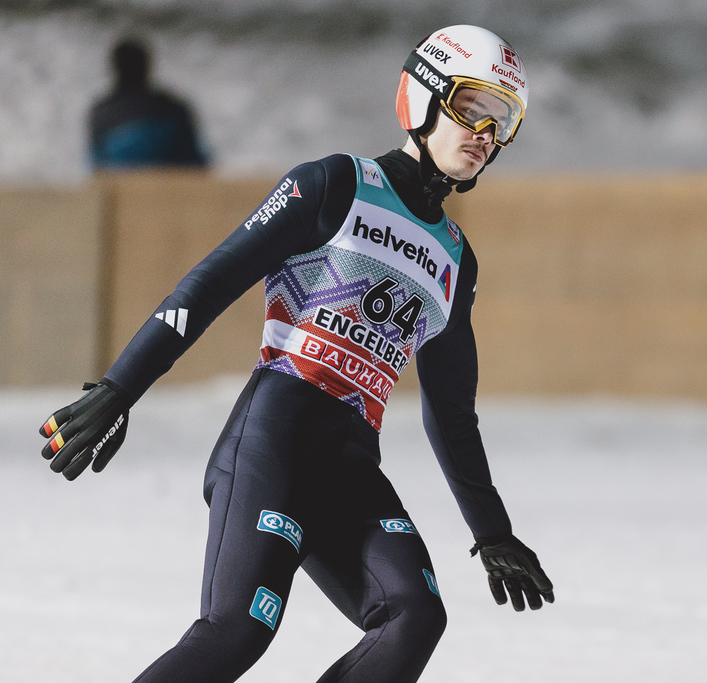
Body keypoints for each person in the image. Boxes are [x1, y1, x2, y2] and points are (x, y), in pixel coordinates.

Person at [40, 24, 553, 683]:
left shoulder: (457, 259)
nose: (484, 133)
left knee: (414, 616)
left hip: (350, 464)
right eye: (472, 107)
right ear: (422, 97)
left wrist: (492, 531)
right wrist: (119, 388)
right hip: (273, 439)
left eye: (502, 120)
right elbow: (210, 283)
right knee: (237, 632)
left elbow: (453, 413)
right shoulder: (336, 183)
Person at [89, 37, 208, 169]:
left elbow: (97, 165)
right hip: (169, 178)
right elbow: (198, 163)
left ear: (114, 69)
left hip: (120, 178)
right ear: (147, 67)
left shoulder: (99, 112)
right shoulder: (173, 108)